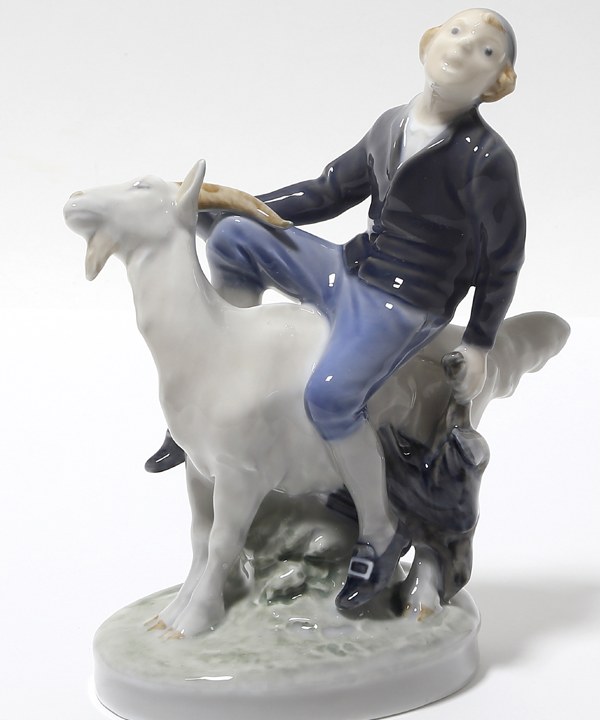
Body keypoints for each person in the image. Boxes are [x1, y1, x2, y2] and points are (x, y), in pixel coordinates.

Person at [147, 8, 526, 611]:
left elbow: (504, 255)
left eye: (485, 49)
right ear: (429, 42)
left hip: (405, 301)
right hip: (350, 267)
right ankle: (217, 396)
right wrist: (231, 205)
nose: (463, 48)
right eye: (456, 32)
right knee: (233, 239)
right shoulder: (391, 123)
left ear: (498, 81)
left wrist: (480, 341)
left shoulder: (485, 157)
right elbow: (328, 191)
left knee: (330, 397)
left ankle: (379, 533)